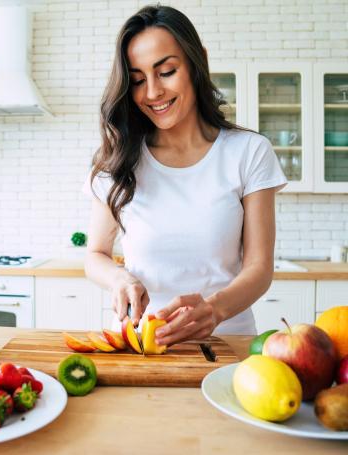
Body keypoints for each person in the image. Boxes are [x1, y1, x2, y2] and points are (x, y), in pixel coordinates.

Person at [83, 5, 287, 346]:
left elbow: (259, 268)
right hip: (143, 343)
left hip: (227, 343)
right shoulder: (118, 160)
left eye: (166, 72)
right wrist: (119, 279)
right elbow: (95, 255)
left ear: (198, 62)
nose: (152, 92)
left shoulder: (248, 152)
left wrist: (215, 310)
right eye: (137, 80)